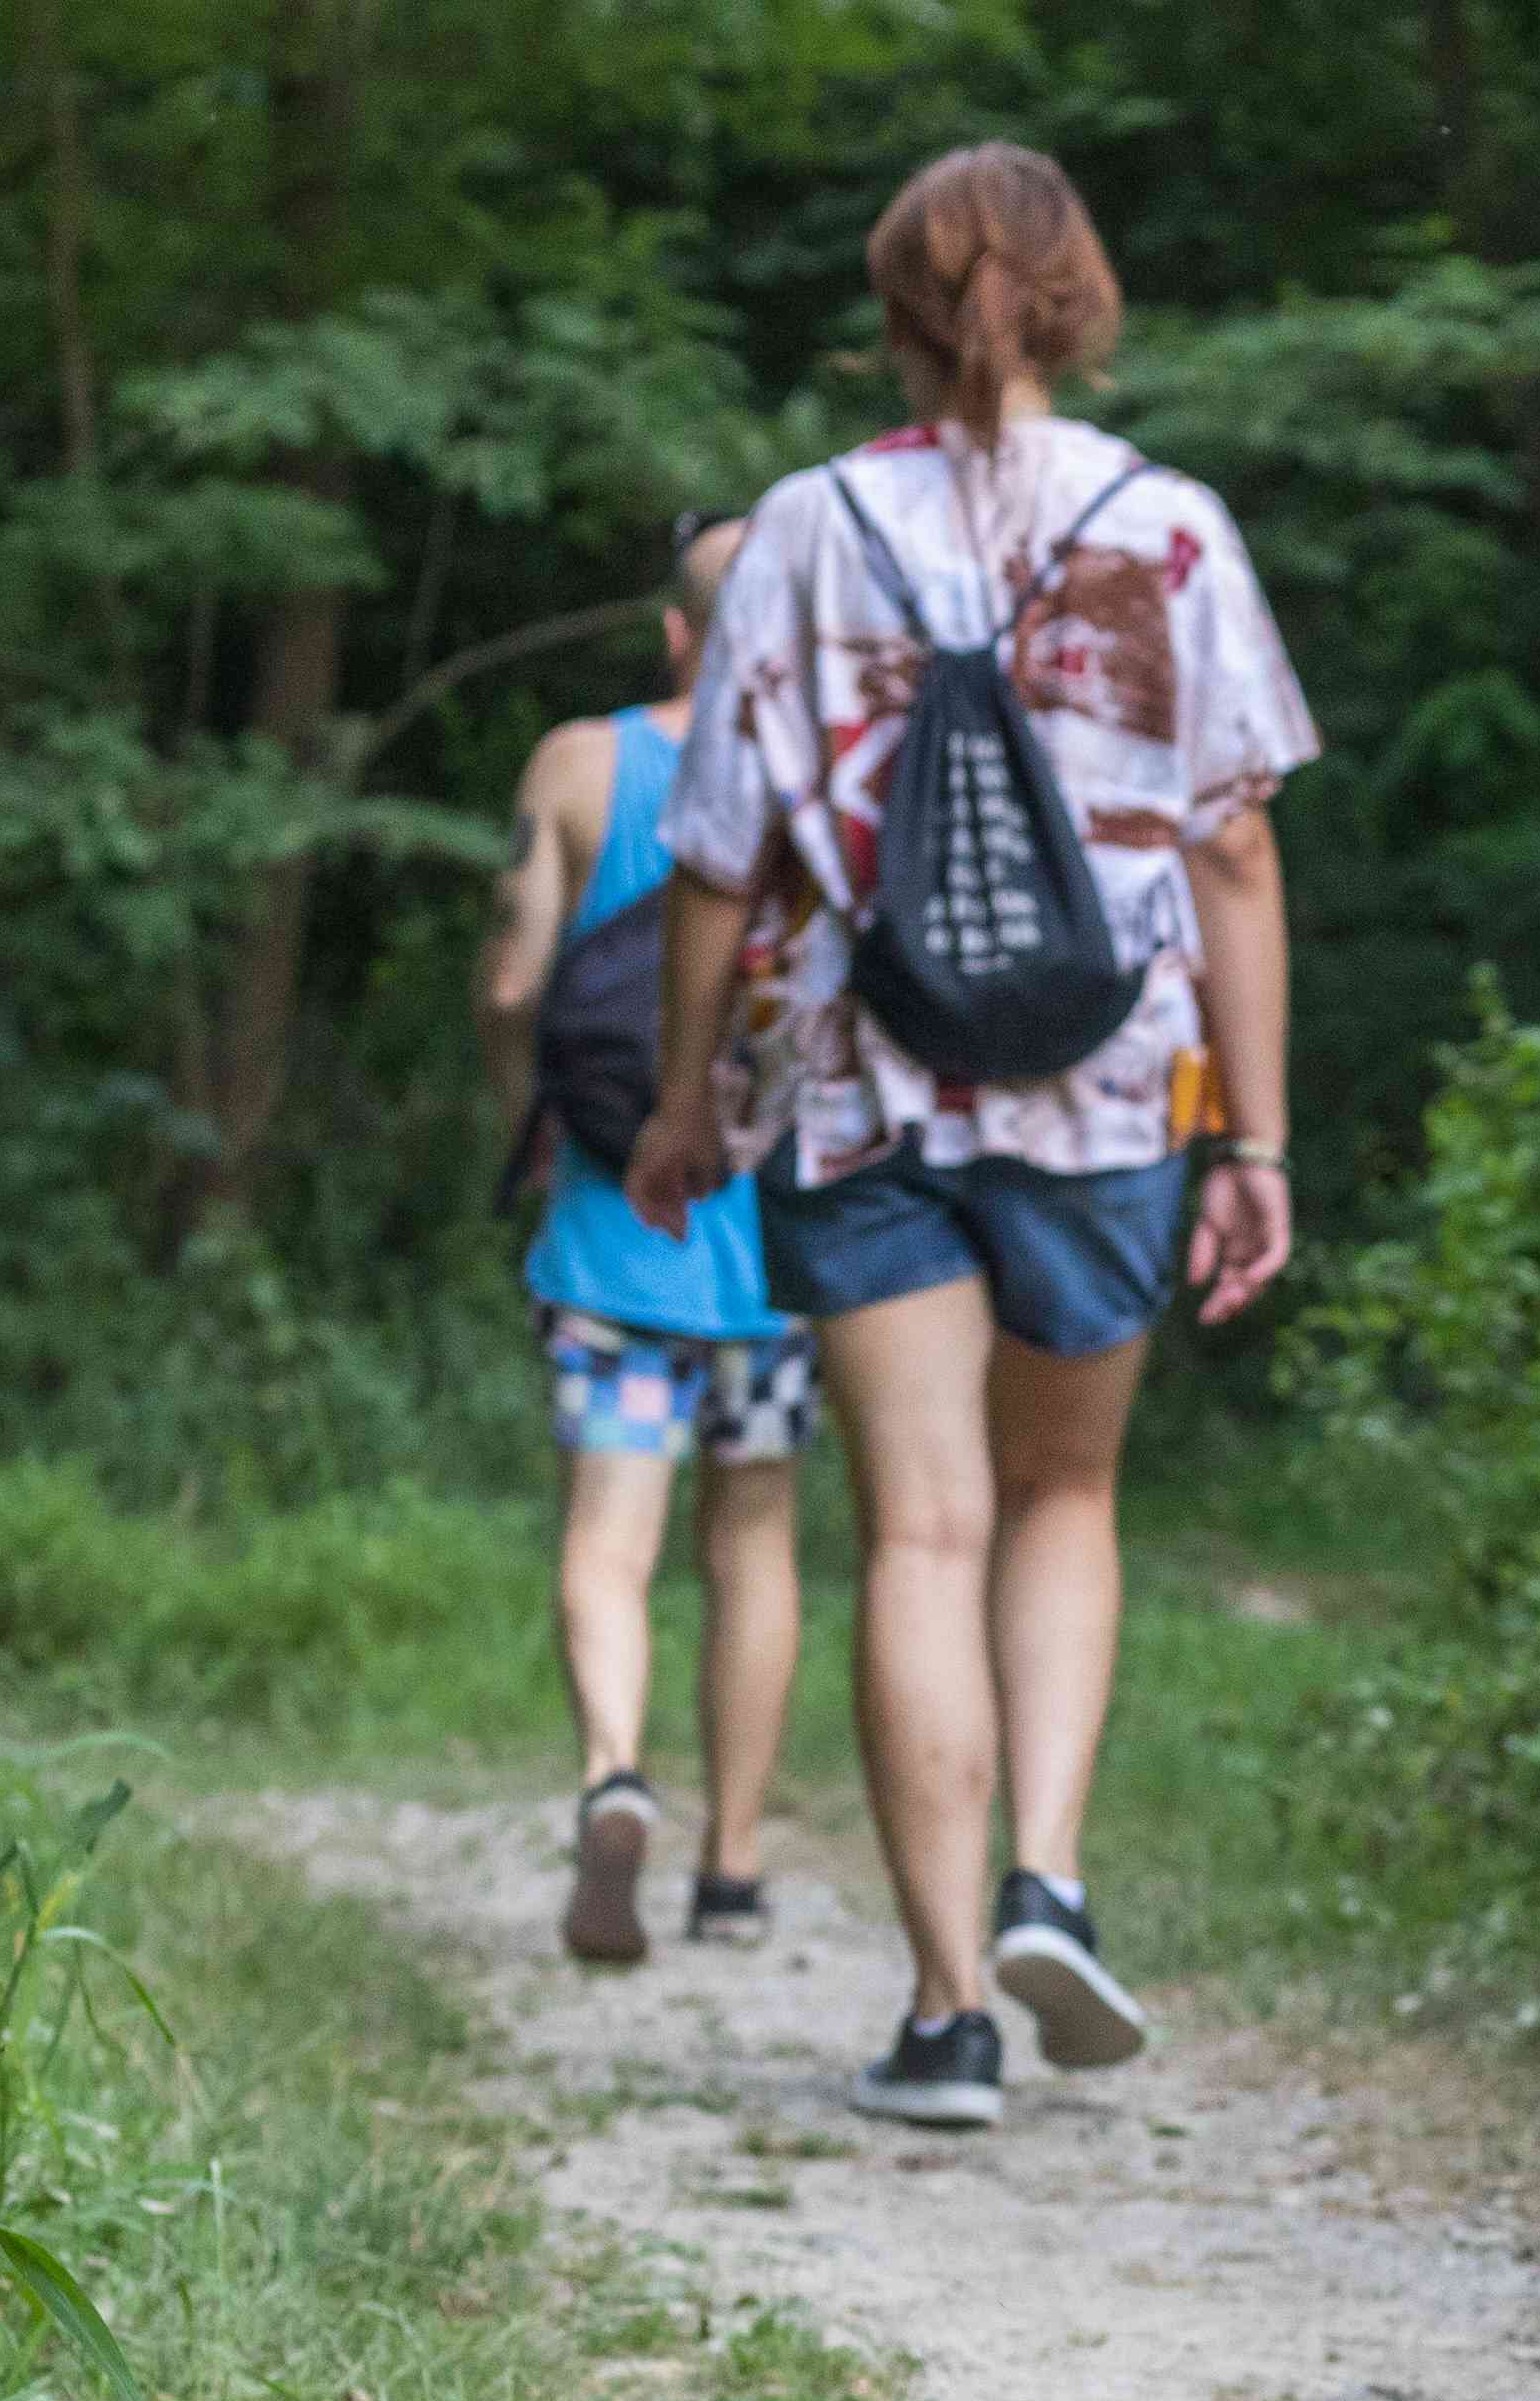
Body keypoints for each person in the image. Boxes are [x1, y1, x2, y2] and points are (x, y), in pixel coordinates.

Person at [631, 141, 1317, 2131]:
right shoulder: (1168, 527)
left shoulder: (802, 530)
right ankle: (1052, 1878)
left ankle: (945, 2015)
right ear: (1082, 295)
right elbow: (1240, 843)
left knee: (916, 1524)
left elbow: (712, 856)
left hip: (861, 1093)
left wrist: (690, 1097)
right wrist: (1255, 1139)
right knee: (1062, 1501)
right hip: (1110, 1091)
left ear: (895, 316)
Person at [480, 507, 814, 1968]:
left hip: (614, 1225)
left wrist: (533, 1115)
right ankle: (734, 1868)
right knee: (753, 1541)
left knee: (608, 1544)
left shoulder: (578, 765)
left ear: (677, 631)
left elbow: (509, 990)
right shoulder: (825, 773)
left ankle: (616, 1771)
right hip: (778, 1241)